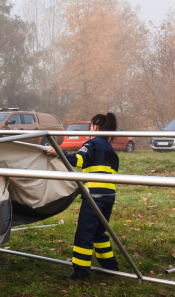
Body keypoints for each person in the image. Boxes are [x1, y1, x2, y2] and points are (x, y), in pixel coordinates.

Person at [44, 113, 120, 280]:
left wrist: (57, 152)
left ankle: (80, 273)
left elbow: (79, 160)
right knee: (100, 233)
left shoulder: (92, 144)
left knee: (84, 233)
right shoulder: (111, 150)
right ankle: (111, 267)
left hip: (94, 196)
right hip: (109, 197)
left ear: (96, 127)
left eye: (91, 126)